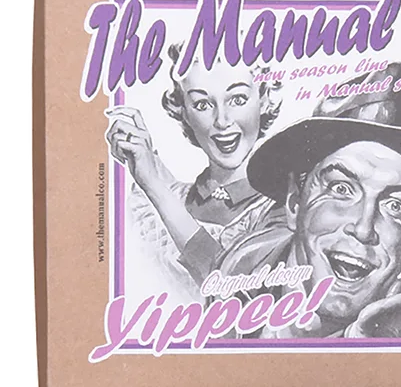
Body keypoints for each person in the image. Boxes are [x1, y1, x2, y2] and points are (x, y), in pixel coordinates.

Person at [217, 63, 401, 338]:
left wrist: (372, 337)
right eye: (341, 189)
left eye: (395, 206)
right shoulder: (232, 282)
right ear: (294, 203)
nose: (363, 229)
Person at [105, 42, 283, 293]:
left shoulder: (284, 209)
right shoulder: (159, 200)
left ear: (263, 101)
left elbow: (230, 290)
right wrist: (142, 158)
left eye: (238, 99)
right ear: (183, 112)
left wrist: (153, 184)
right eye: (202, 104)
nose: (222, 121)